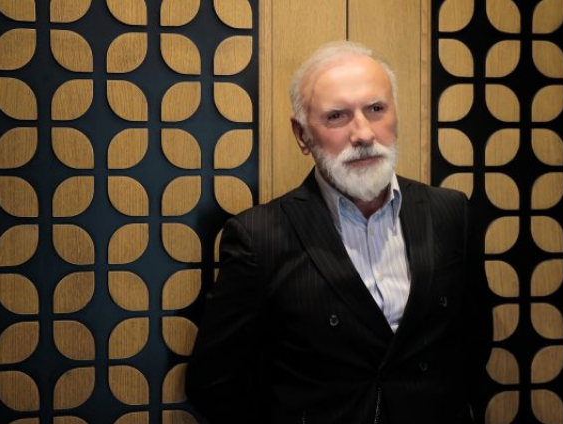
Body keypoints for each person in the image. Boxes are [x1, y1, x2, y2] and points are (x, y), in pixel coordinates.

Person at [186, 40, 492, 424]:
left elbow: (473, 342)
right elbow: (214, 383)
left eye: (376, 109)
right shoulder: (259, 238)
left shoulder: (451, 213)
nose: (363, 134)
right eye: (337, 116)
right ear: (302, 135)